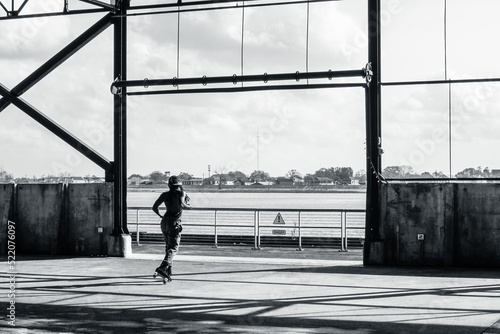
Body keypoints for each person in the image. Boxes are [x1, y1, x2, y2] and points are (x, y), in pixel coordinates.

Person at [152, 175, 191, 280]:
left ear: (169, 185)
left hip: (164, 221)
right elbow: (183, 205)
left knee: (168, 246)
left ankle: (168, 270)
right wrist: (190, 206)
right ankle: (163, 267)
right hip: (174, 222)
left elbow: (154, 207)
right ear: (180, 184)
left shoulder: (165, 195)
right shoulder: (182, 193)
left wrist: (160, 215)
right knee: (173, 248)